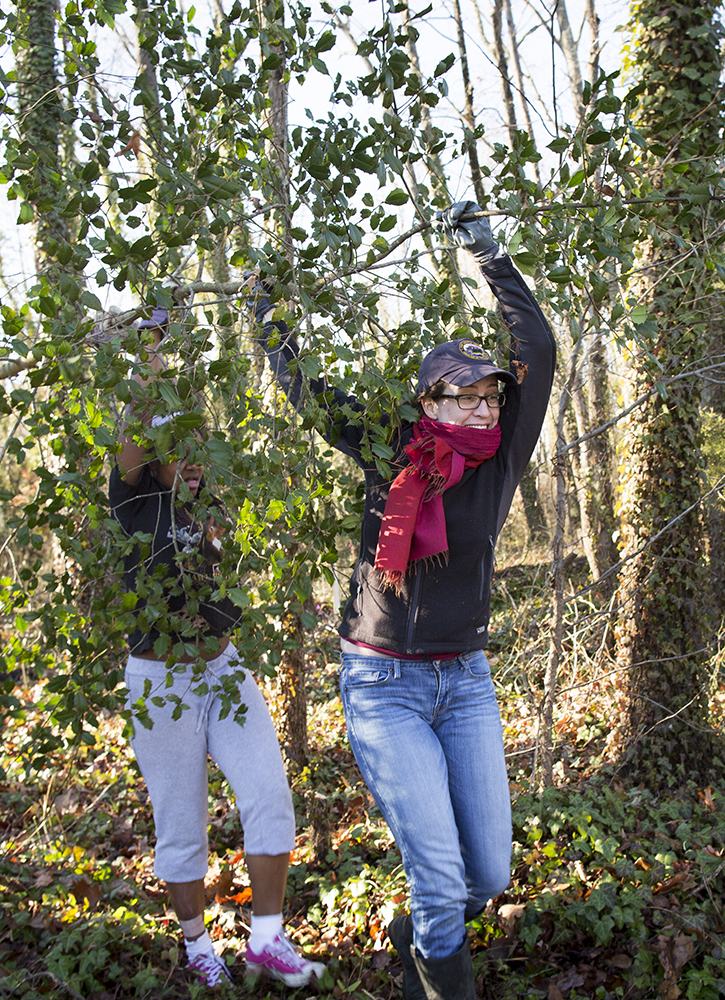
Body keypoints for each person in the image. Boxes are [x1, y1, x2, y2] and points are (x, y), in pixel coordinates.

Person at [251, 201, 556, 1000]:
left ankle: (425, 933)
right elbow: (306, 391)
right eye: (462, 395)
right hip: (381, 685)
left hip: (465, 682)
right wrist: (266, 308)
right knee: (439, 873)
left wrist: (490, 255)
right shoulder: (392, 449)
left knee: (488, 870)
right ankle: (439, 952)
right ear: (428, 402)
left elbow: (542, 352)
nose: (483, 408)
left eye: (490, 394)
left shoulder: (500, 460)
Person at [109, 307, 325, 990]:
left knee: (269, 794)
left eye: (203, 450)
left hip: (224, 674)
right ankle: (198, 943)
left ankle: (266, 937)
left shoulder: (219, 511)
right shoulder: (134, 502)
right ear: (160, 457)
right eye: (180, 451)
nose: (194, 462)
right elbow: (139, 423)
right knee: (181, 823)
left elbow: (242, 580)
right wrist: (153, 345)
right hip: (158, 681)